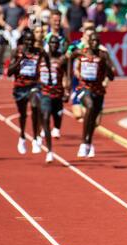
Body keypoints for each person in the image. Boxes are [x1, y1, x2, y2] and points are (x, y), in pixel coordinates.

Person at [8, 28, 50, 154]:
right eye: (27, 40)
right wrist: (21, 60)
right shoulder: (17, 52)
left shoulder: (39, 52)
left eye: (32, 40)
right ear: (23, 41)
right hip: (20, 87)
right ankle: (22, 136)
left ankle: (36, 138)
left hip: (33, 85)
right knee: (23, 115)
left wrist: (50, 77)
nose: (30, 43)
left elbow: (47, 59)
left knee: (35, 106)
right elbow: (9, 72)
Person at [73, 32, 115, 158]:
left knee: (93, 120)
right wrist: (70, 78)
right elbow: (71, 56)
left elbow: (111, 76)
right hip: (83, 88)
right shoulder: (82, 52)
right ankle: (83, 143)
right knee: (89, 107)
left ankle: (88, 143)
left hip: (98, 90)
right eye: (93, 41)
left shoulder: (103, 55)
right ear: (89, 42)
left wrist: (105, 65)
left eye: (97, 41)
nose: (95, 43)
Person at [39, 35, 69, 163]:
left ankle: (57, 127)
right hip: (45, 93)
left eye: (56, 43)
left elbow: (67, 76)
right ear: (48, 44)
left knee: (57, 122)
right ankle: (49, 151)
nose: (54, 45)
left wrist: (67, 91)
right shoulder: (42, 57)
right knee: (45, 119)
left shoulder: (62, 59)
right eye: (51, 43)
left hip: (58, 94)